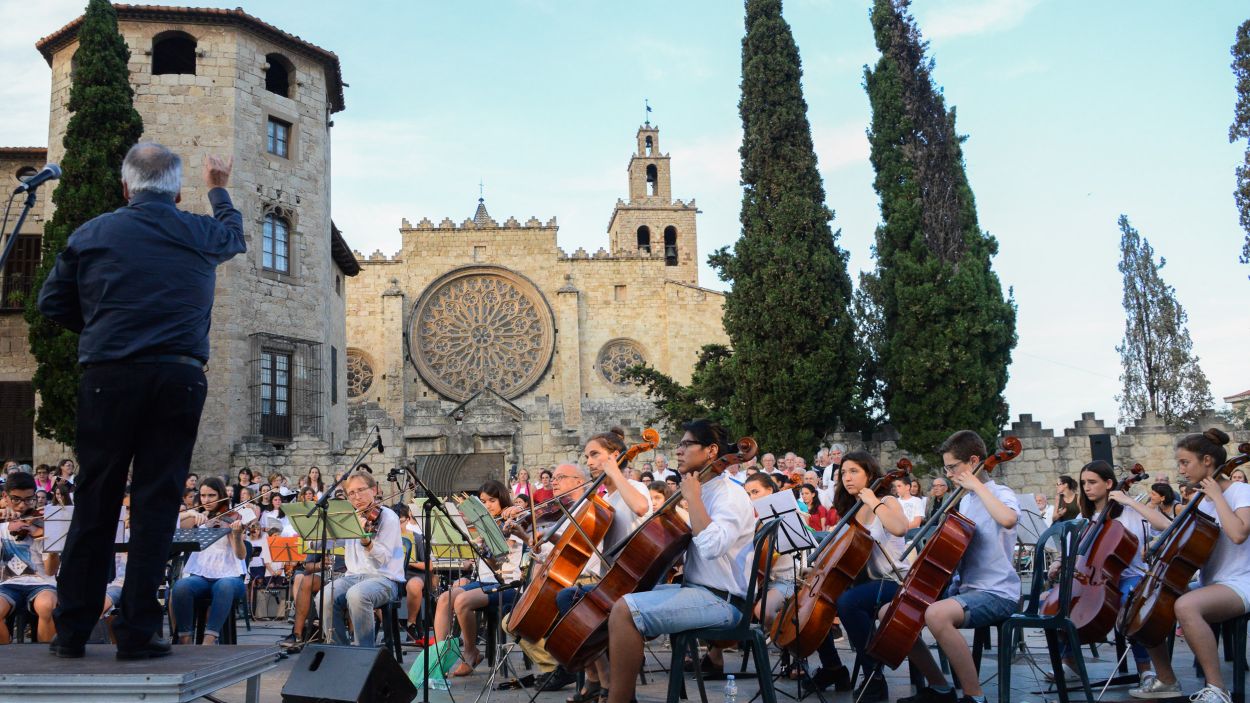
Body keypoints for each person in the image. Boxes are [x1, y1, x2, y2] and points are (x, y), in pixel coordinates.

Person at [41, 145, 244, 660]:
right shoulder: (200, 231)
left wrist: (109, 330)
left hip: (108, 377)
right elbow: (235, 236)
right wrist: (218, 186)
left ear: (125, 188)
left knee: (95, 501)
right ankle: (136, 632)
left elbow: (52, 303)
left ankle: (71, 631)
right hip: (177, 377)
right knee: (157, 505)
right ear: (178, 192)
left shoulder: (92, 233)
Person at [605, 420, 755, 703]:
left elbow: (711, 547)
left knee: (625, 611)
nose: (679, 451)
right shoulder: (701, 489)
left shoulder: (729, 495)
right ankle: (607, 687)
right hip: (699, 591)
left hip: (724, 601)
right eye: (680, 444)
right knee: (617, 600)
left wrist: (692, 500)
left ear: (712, 451)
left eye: (687, 444)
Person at [1126, 429, 1249, 703]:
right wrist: (1158, 547)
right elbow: (1181, 535)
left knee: (1186, 605)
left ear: (1207, 461)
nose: (1180, 469)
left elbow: (1239, 534)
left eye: (1185, 462)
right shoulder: (1200, 499)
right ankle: (1166, 679)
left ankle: (1218, 690)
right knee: (1148, 603)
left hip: (1241, 582)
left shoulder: (1241, 491)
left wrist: (1217, 496)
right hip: (1212, 583)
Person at [897, 430, 1019, 703]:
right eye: (946, 468)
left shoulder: (999, 493)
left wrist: (977, 486)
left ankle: (975, 697)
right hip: (964, 589)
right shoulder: (964, 500)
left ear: (974, 461)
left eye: (952, 467)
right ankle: (940, 687)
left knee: (937, 615)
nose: (949, 474)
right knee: (894, 611)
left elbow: (1009, 519)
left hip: (997, 593)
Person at [549, 429, 651, 696]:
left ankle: (602, 679)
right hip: (612, 581)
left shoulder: (635, 487)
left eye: (595, 454)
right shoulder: (603, 500)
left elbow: (641, 508)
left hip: (634, 583)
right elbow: (587, 545)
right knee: (566, 599)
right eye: (587, 456)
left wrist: (615, 473)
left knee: (570, 600)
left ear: (615, 455)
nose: (590, 461)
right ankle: (597, 676)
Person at [1045, 461, 1155, 686]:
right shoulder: (1085, 519)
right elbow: (1069, 550)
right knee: (1057, 604)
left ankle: (1146, 670)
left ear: (1108, 483)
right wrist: (1059, 561)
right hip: (1095, 580)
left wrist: (1129, 501)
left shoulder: (1130, 513)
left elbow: (1165, 525)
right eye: (1084, 482)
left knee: (1130, 603)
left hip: (1130, 576)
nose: (1087, 487)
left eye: (1092, 482)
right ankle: (1070, 664)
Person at [833, 451, 911, 701]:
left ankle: (874, 675)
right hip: (866, 583)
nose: (847, 477)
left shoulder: (886, 501)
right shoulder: (850, 510)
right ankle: (831, 668)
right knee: (815, 608)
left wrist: (873, 502)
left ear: (870, 474)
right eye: (843, 472)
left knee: (847, 602)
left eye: (854, 471)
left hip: (894, 582)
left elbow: (900, 528)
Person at [433, 479, 524, 675]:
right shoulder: (485, 524)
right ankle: (438, 658)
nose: (487, 505)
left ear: (502, 500)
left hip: (507, 585)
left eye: (492, 500)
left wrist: (486, 544)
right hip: (482, 583)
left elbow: (497, 564)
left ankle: (470, 651)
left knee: (463, 601)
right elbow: (484, 565)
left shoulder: (511, 521)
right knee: (444, 598)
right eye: (483, 501)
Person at [324, 471, 405, 647]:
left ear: (374, 489)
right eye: (351, 493)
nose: (356, 496)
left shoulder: (388, 517)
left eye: (361, 490)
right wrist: (316, 533)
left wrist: (367, 542)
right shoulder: (350, 517)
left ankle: (364, 653)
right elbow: (331, 542)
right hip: (352, 577)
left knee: (357, 595)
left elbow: (382, 561)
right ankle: (340, 650)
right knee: (324, 596)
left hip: (384, 579)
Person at [170, 478, 247, 645]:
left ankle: (210, 638)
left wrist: (237, 535)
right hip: (202, 577)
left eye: (212, 496)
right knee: (181, 587)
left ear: (221, 495)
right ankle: (185, 638)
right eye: (203, 496)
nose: (206, 500)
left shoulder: (231, 518)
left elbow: (240, 555)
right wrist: (189, 513)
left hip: (231, 577)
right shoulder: (199, 518)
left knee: (224, 586)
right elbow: (170, 522)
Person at [0, 472, 59, 643]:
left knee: (47, 606)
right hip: (8, 583)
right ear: (5, 496)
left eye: (29, 500)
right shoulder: (3, 525)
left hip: (42, 583)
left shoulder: (43, 524)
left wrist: (53, 548)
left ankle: (44, 660)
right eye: (16, 499)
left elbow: (50, 571)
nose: (22, 506)